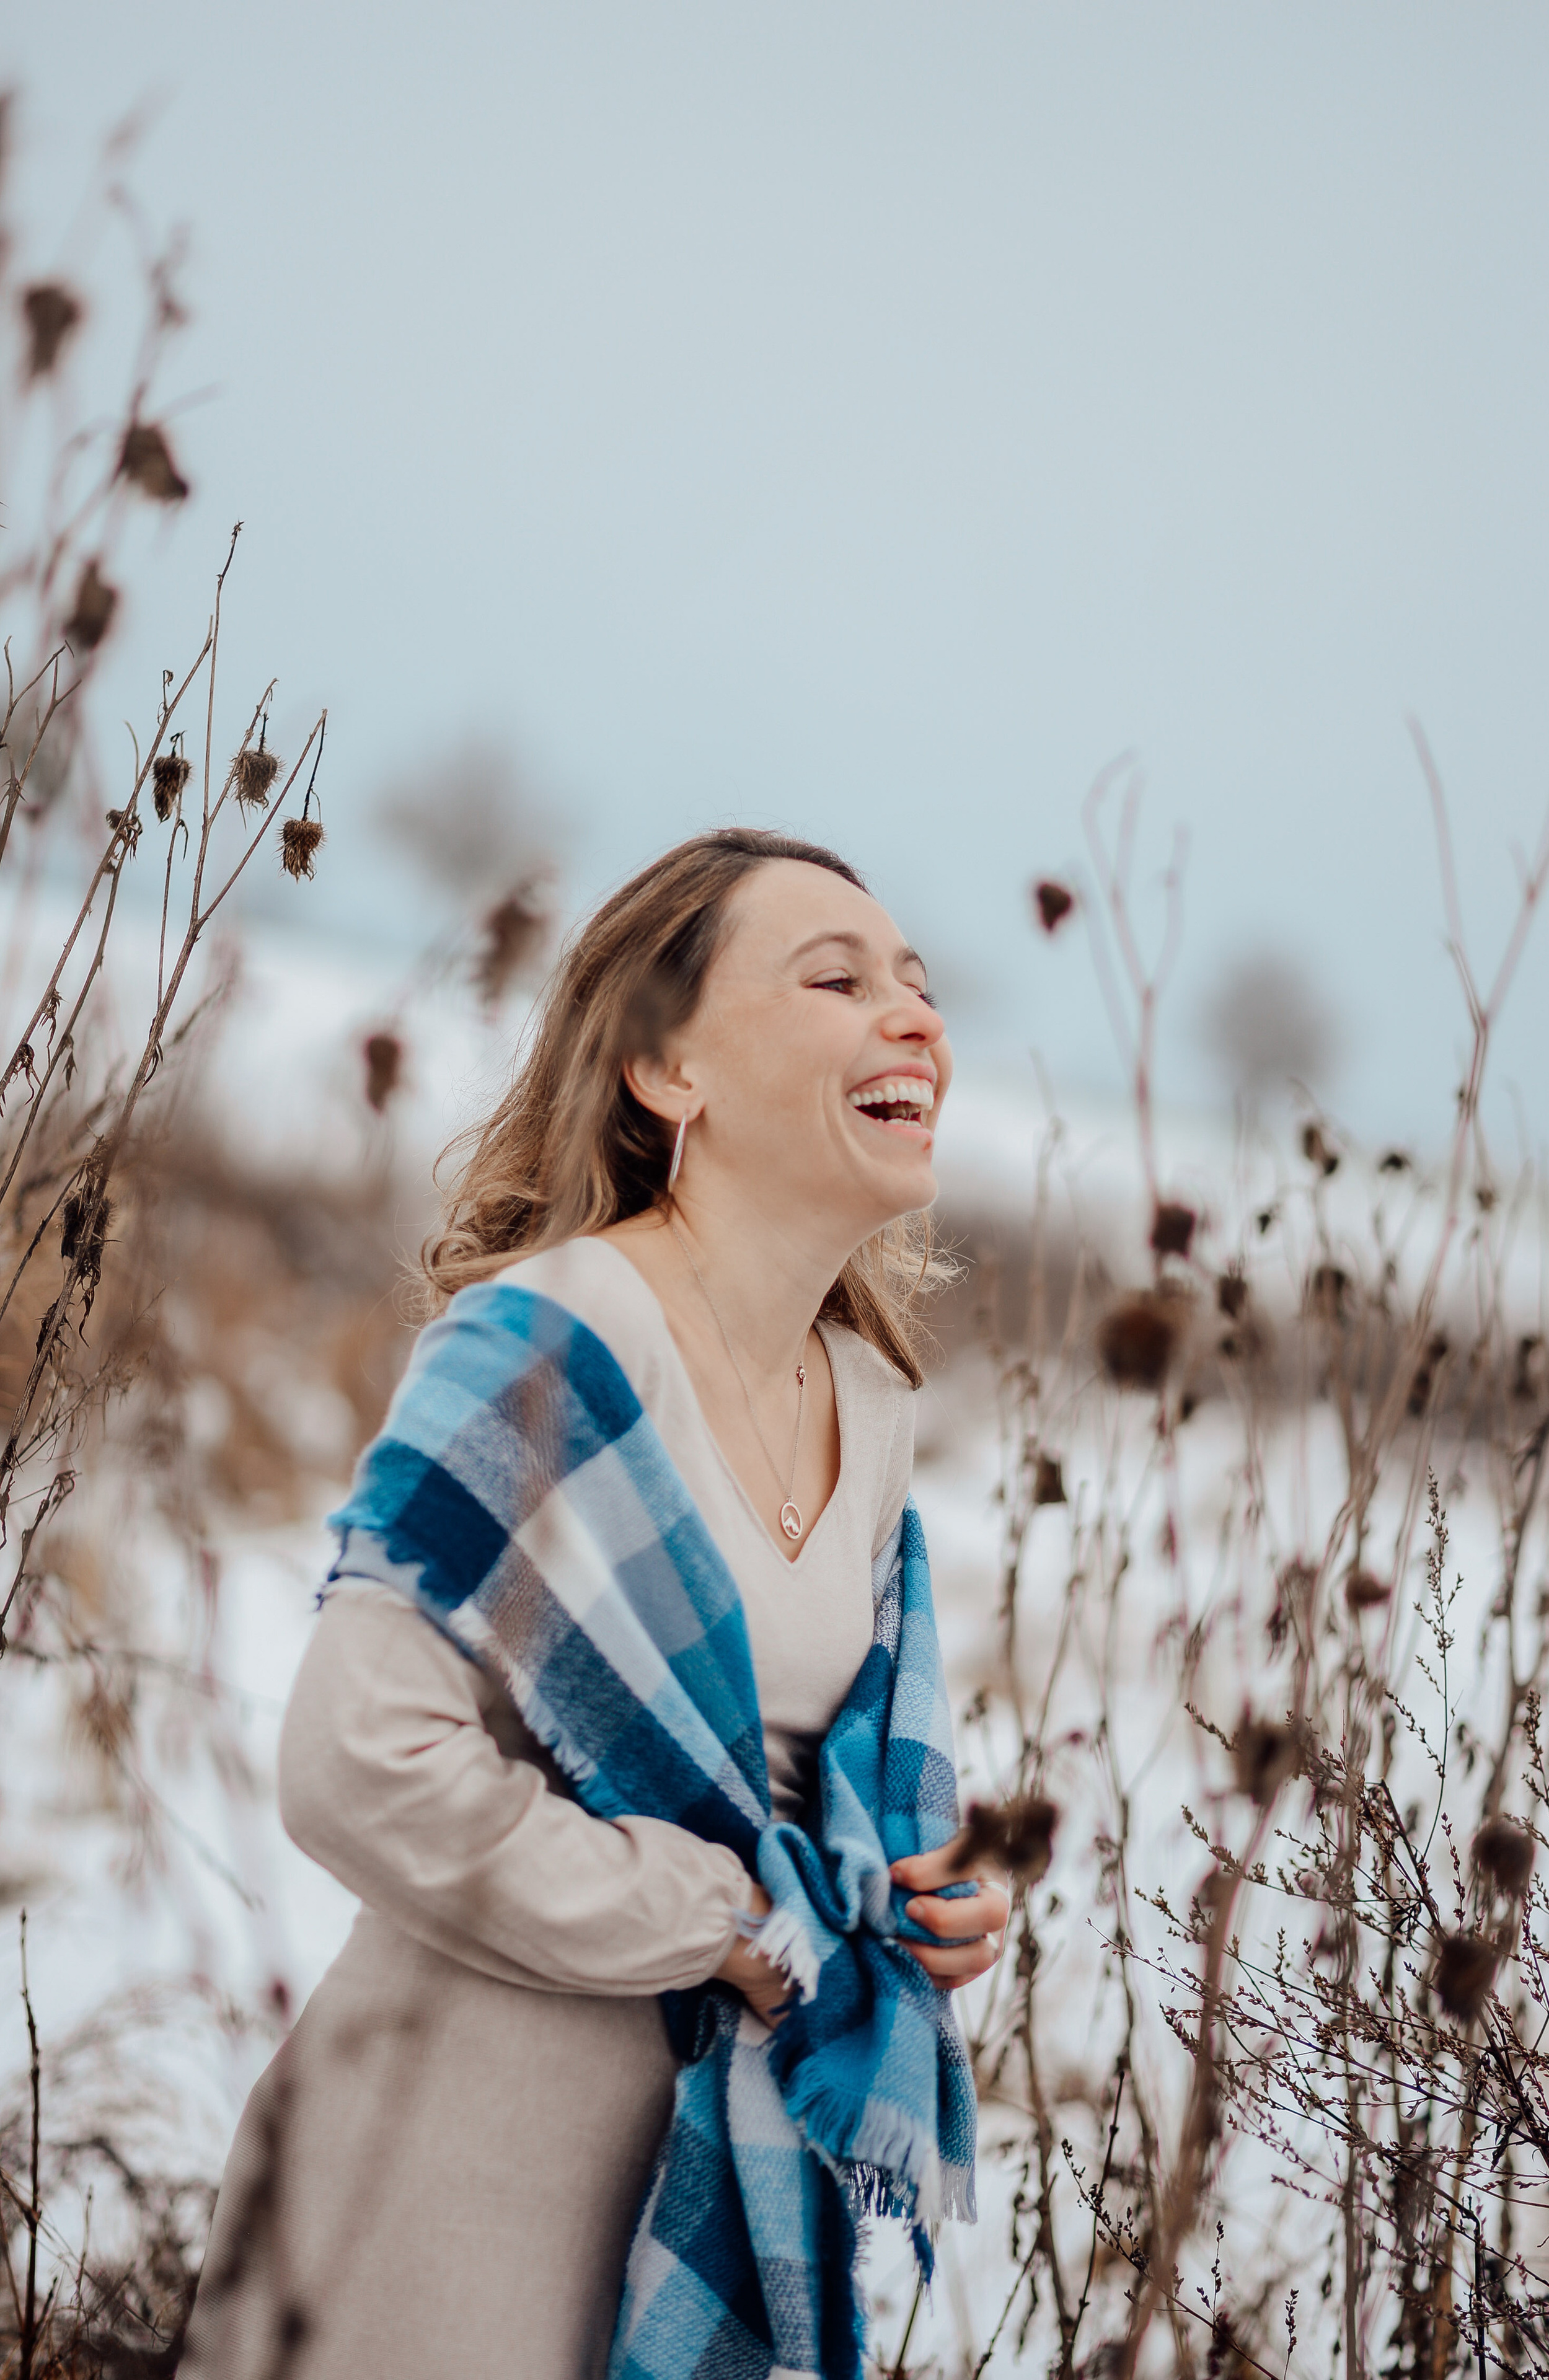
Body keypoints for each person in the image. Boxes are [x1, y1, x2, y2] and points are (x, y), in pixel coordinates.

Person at [181, 828, 1007, 2380]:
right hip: (438, 2186)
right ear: (665, 1072)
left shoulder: (871, 1405)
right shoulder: (547, 1345)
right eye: (835, 979)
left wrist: (911, 1901)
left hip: (707, 2194)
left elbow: (829, 1801)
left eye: (917, 984)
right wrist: (719, 1919)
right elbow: (354, 1766)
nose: (913, 1018)